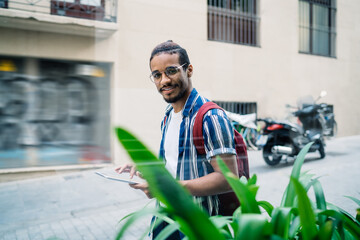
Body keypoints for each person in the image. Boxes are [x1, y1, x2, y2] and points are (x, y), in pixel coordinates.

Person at [116, 40, 238, 239]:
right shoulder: (168, 115)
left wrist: (170, 188)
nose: (164, 80)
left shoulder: (211, 117)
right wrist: (146, 167)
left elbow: (227, 179)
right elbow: (173, 164)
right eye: (157, 75)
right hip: (165, 218)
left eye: (171, 71)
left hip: (196, 224)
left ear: (188, 70)